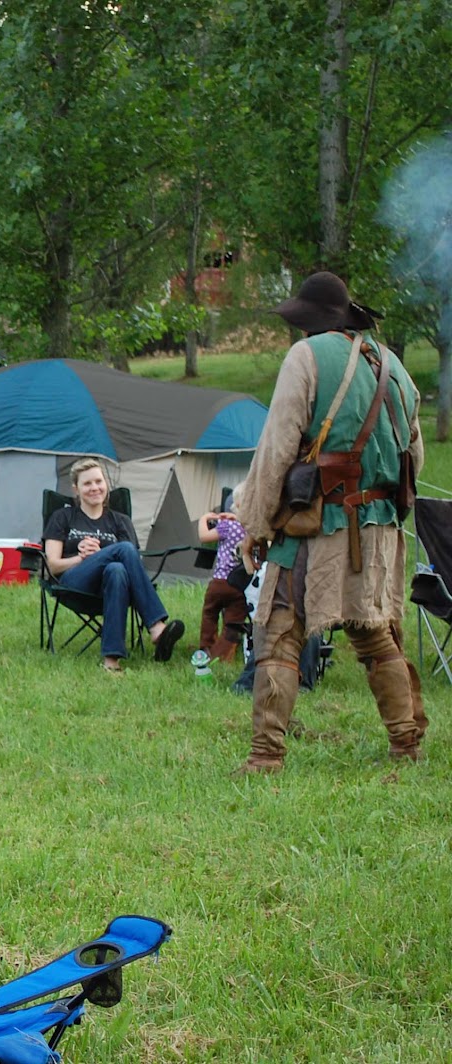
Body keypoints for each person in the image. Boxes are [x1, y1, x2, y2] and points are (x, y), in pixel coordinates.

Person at [236, 270, 425, 773]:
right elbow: (415, 457)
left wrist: (255, 522)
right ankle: (406, 746)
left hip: (315, 525)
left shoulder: (305, 357)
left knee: (280, 632)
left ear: (308, 323)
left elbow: (277, 446)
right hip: (378, 526)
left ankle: (265, 757)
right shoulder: (393, 366)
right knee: (375, 634)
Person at [40, 458, 187, 674]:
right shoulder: (63, 517)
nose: (94, 488)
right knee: (125, 549)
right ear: (76, 489)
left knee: (116, 570)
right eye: (87, 483)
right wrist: (82, 558)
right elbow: (52, 566)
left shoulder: (120, 521)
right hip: (74, 583)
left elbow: (129, 565)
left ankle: (111, 660)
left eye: (98, 481)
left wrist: (103, 556)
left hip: (113, 587)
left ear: (106, 485)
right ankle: (156, 626)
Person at [195, 488, 253, 663]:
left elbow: (204, 537)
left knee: (210, 613)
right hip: (242, 585)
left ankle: (206, 647)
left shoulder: (227, 526)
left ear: (235, 505)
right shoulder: (255, 529)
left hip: (220, 581)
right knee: (233, 622)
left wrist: (204, 518)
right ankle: (223, 655)